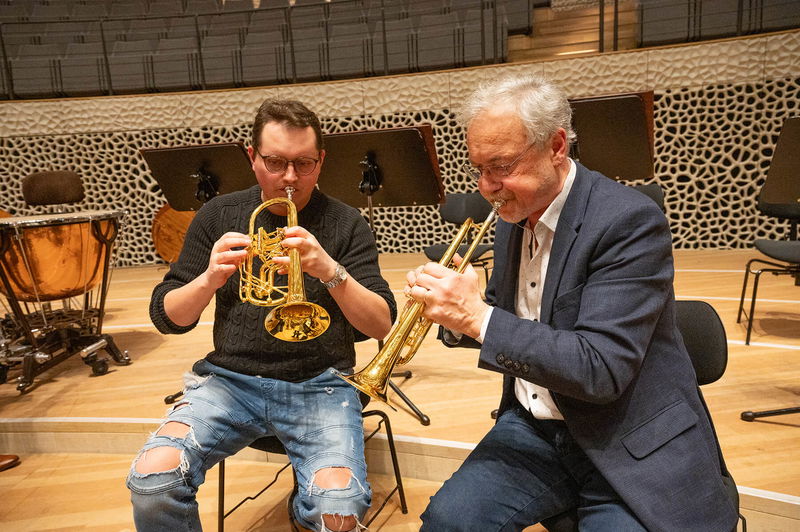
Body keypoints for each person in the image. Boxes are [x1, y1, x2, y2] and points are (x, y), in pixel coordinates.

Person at [406, 75, 738, 531]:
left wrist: (477, 317)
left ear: (556, 147)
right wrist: (452, 313)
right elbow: (515, 313)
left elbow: (600, 369)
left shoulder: (628, 222)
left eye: (500, 166)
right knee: (448, 523)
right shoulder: (514, 214)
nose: (486, 186)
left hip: (625, 435)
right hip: (536, 428)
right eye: (477, 169)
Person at [126, 99, 397, 532]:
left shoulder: (346, 223)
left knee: (338, 512)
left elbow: (381, 323)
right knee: (152, 480)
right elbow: (167, 317)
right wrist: (209, 278)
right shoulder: (218, 215)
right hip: (230, 383)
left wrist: (330, 270)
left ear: (321, 161)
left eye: (303, 164)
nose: (289, 177)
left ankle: (306, 507)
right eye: (275, 162)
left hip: (322, 384)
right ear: (252, 157)